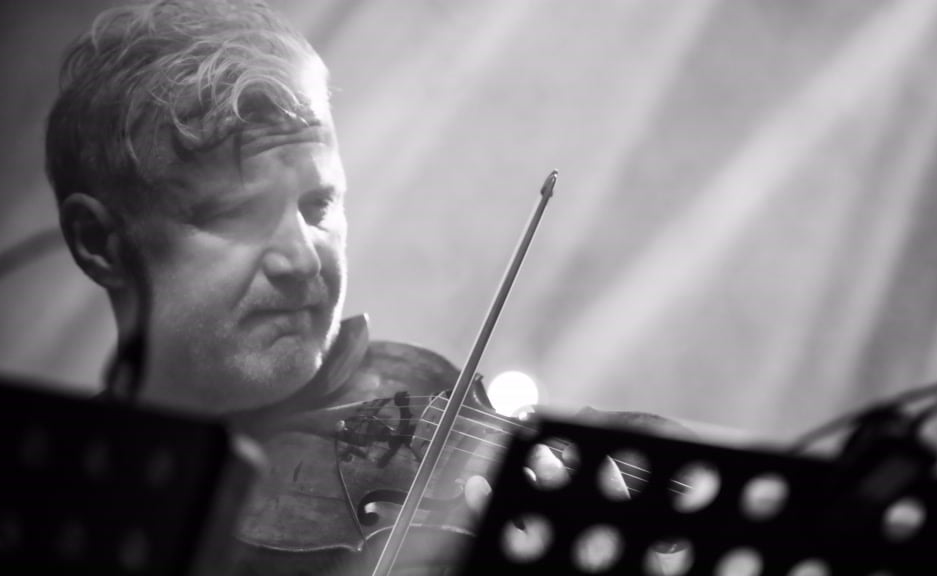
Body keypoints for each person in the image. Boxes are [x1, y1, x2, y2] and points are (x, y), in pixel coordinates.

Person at [46, 1, 635, 574]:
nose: (303, 259)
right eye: (241, 215)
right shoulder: (51, 505)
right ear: (100, 243)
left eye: (319, 204)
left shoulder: (433, 433)